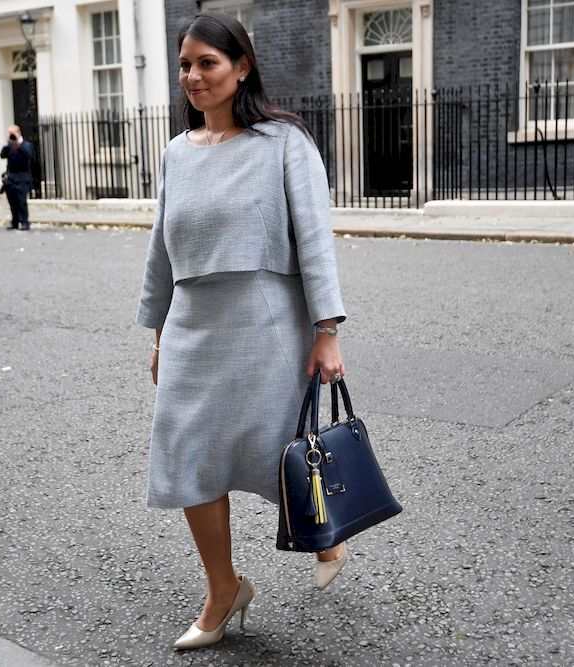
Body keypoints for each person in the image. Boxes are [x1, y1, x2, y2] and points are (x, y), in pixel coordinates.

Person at [135, 11, 348, 651]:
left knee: (277, 442)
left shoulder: (284, 142)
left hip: (265, 323)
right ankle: (224, 588)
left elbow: (315, 238)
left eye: (208, 63)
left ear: (242, 67)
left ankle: (326, 530)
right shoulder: (177, 152)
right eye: (185, 65)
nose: (193, 77)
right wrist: (158, 332)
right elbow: (161, 251)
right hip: (193, 325)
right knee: (188, 456)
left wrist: (327, 329)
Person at [0, 125, 34, 230]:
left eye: (12, 132)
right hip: (11, 177)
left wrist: (18, 142)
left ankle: (24, 222)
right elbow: (2, 155)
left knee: (21, 201)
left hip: (22, 177)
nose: (10, 134)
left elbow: (28, 154)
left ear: (18, 133)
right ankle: (14, 222)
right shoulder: (8, 146)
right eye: (8, 132)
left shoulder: (26, 144)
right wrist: (7, 143)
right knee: (12, 201)